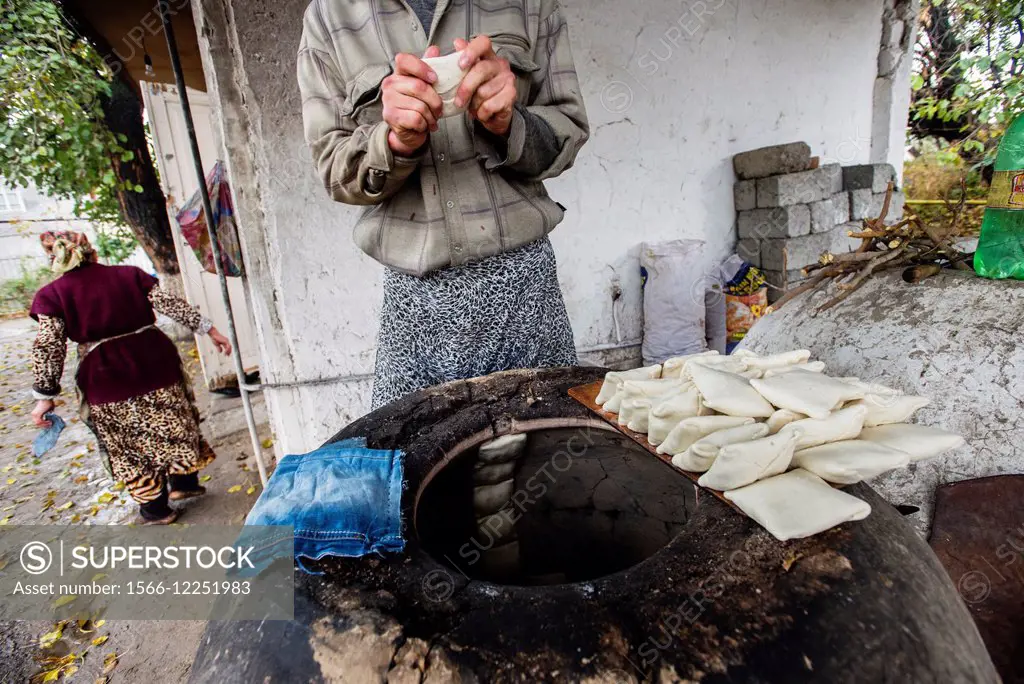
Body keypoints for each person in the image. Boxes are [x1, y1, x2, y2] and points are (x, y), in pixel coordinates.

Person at [298, 0, 589, 408]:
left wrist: (509, 123)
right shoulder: (330, 16)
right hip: (416, 304)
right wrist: (395, 142)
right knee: (417, 461)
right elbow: (335, 170)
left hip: (526, 291)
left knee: (545, 449)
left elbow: (568, 129)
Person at [28, 231, 233, 525]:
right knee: (173, 422)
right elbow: (171, 304)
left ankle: (156, 509)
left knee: (128, 442)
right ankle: (184, 484)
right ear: (92, 252)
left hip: (104, 376)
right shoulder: (129, 275)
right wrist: (210, 330)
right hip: (154, 360)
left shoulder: (51, 295)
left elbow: (49, 345)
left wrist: (44, 397)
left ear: (54, 259)